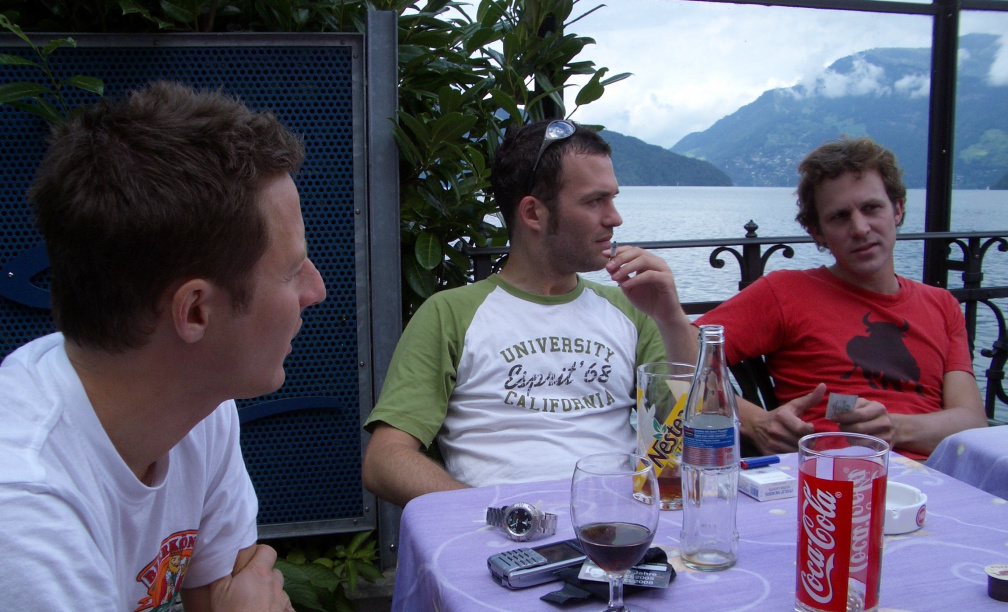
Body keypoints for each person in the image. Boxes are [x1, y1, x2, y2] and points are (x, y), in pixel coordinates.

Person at [0, 81, 401, 612]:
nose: (317, 290)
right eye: (292, 270)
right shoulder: (23, 507)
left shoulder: (198, 411)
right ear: (194, 312)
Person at [362, 119, 684, 506]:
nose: (615, 218)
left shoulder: (630, 310)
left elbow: (698, 430)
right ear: (533, 213)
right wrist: (496, 515)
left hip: (617, 522)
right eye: (594, 201)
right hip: (502, 531)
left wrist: (671, 319)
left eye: (613, 199)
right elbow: (384, 460)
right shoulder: (450, 314)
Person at [659, 136, 987, 459]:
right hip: (829, 477)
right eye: (839, 216)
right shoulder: (784, 293)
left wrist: (894, 428)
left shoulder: (941, 305)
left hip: (938, 476)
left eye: (871, 208)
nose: (860, 228)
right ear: (817, 231)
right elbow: (684, 365)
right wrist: (756, 422)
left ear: (897, 209)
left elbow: (973, 423)